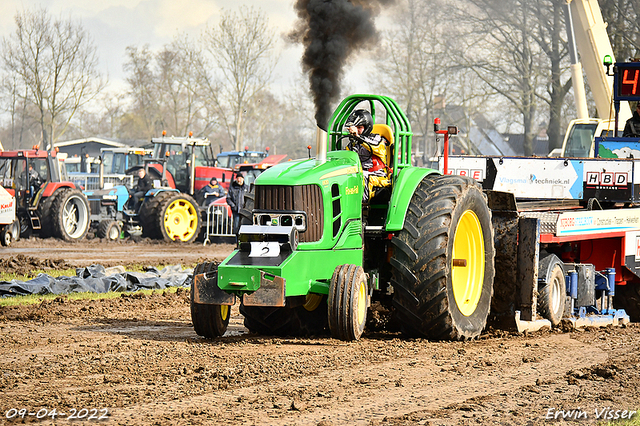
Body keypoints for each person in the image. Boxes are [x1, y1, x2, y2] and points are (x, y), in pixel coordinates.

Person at [345, 109, 392, 203]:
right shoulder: (353, 144)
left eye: (359, 127)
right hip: (360, 173)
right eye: (355, 127)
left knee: (360, 176)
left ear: (367, 127)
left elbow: (372, 146)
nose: (357, 130)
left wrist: (357, 136)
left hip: (376, 177)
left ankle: (362, 206)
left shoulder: (377, 139)